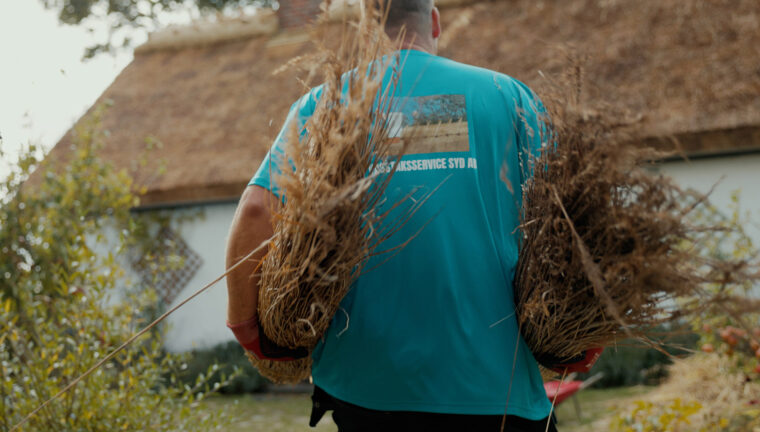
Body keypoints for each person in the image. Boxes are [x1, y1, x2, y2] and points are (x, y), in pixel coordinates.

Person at [226, 1, 568, 430]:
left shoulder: (325, 105)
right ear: (435, 21)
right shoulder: (510, 97)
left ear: (368, 26)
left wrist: (245, 322)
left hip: (368, 397)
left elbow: (258, 209)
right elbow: (573, 221)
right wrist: (584, 335)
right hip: (500, 395)